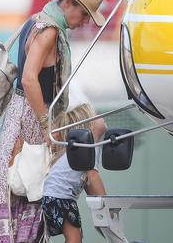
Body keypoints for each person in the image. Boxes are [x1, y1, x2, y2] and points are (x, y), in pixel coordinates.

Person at [0, 0, 107, 242]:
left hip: (20, 116)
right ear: (68, 2)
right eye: (84, 14)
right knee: (29, 197)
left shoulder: (36, 20)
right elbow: (29, 78)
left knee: (22, 202)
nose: (84, 22)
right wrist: (46, 125)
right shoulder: (49, 30)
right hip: (30, 122)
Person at [42, 103, 107, 243]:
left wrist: (96, 199)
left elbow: (89, 185)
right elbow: (93, 177)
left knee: (76, 238)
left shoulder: (81, 148)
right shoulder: (89, 146)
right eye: (96, 115)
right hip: (60, 197)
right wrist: (106, 203)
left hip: (53, 197)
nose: (101, 116)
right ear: (89, 125)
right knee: (74, 239)